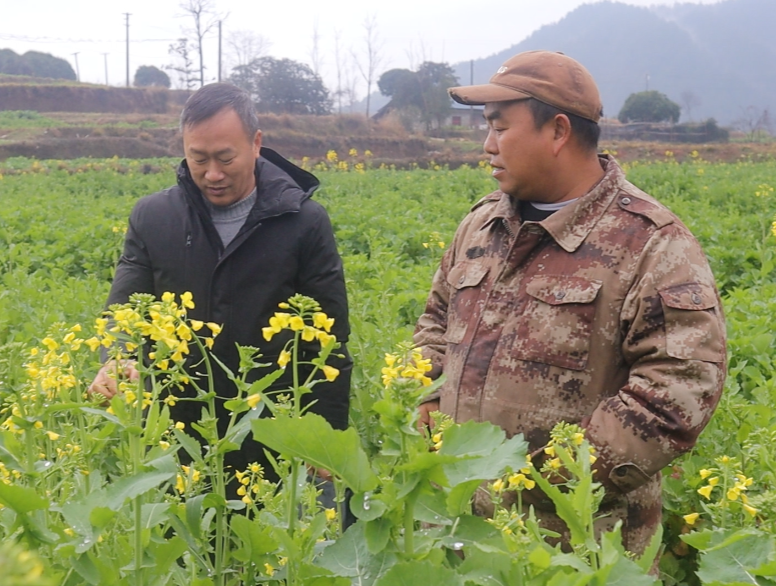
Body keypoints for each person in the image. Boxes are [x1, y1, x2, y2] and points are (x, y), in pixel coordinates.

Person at [413, 50, 726, 553]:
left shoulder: (650, 243)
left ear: (558, 131)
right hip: (454, 532)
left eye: (499, 127)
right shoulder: (481, 225)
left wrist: (547, 480)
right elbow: (435, 320)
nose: (487, 145)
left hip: (576, 548)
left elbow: (677, 391)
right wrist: (424, 395)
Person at [88, 82, 351, 488]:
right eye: (199, 159)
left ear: (256, 143)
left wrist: (326, 439)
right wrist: (117, 357)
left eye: (225, 158)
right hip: (176, 438)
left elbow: (330, 340)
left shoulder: (303, 223)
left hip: (272, 437)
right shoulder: (153, 218)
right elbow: (123, 311)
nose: (212, 174)